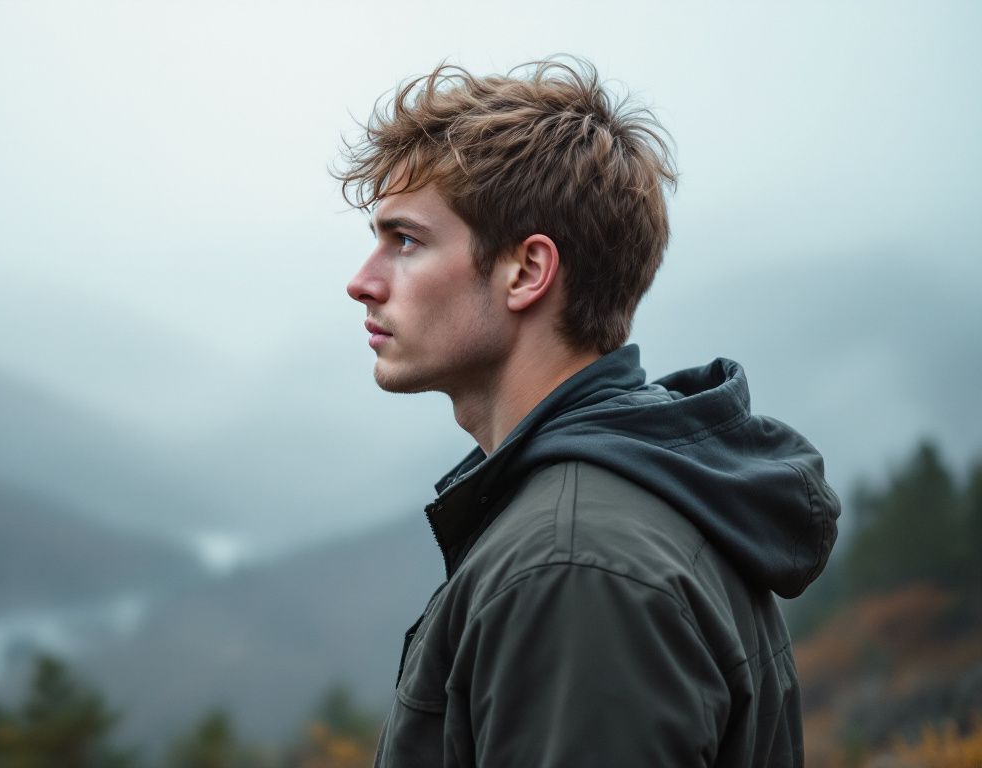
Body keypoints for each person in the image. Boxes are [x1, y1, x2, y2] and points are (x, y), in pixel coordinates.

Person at [337, 57, 840, 767]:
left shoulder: (573, 568)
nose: (362, 283)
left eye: (406, 241)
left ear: (527, 272)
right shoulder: (628, 508)